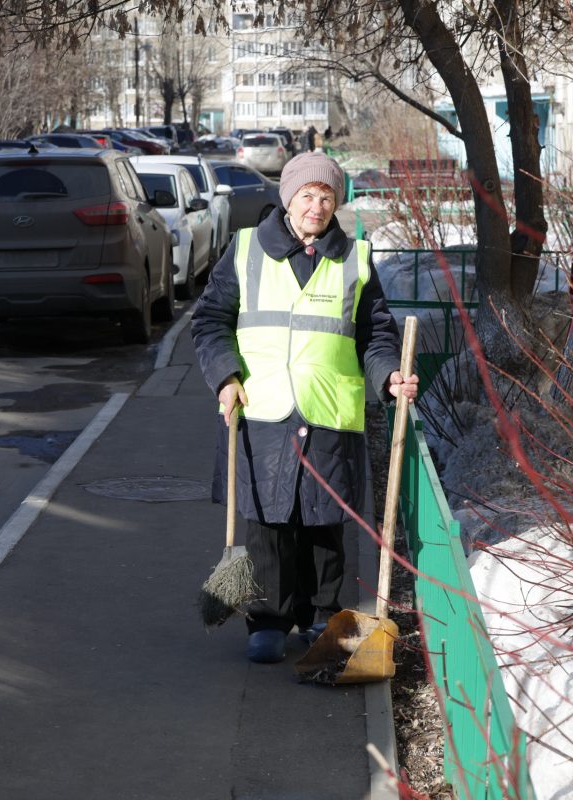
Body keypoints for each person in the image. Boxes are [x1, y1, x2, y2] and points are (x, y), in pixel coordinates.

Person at [191, 151, 419, 664]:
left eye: (326, 197)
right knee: (268, 522)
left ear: (337, 204)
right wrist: (225, 376)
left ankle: (321, 616)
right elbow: (210, 320)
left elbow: (375, 334)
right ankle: (268, 618)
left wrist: (387, 375)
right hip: (262, 407)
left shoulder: (355, 258)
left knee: (323, 524)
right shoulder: (246, 249)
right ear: (288, 197)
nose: (316, 206)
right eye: (307, 195)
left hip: (328, 410)